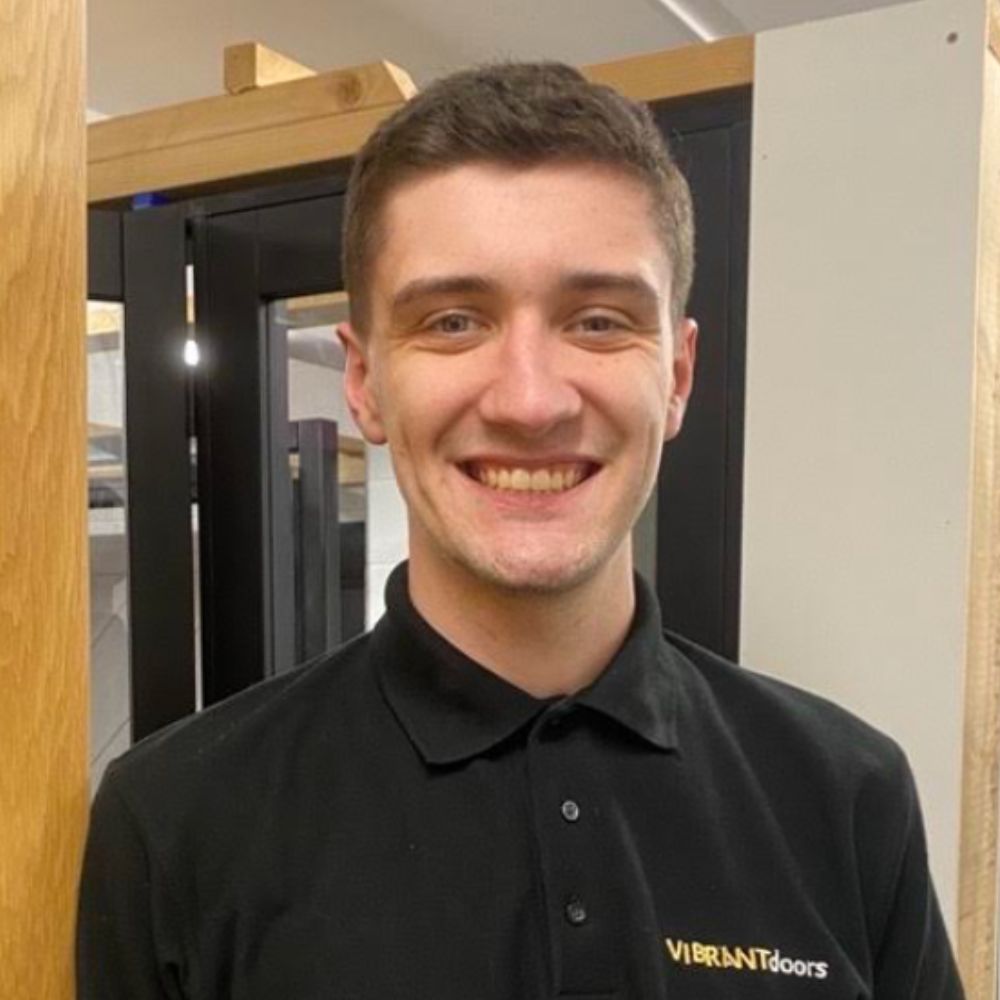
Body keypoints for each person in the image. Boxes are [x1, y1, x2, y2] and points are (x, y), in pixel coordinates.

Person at [77, 62, 963, 999]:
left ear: (678, 376)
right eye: (455, 321)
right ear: (365, 380)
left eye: (598, 320)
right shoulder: (176, 824)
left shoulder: (847, 794)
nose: (531, 401)